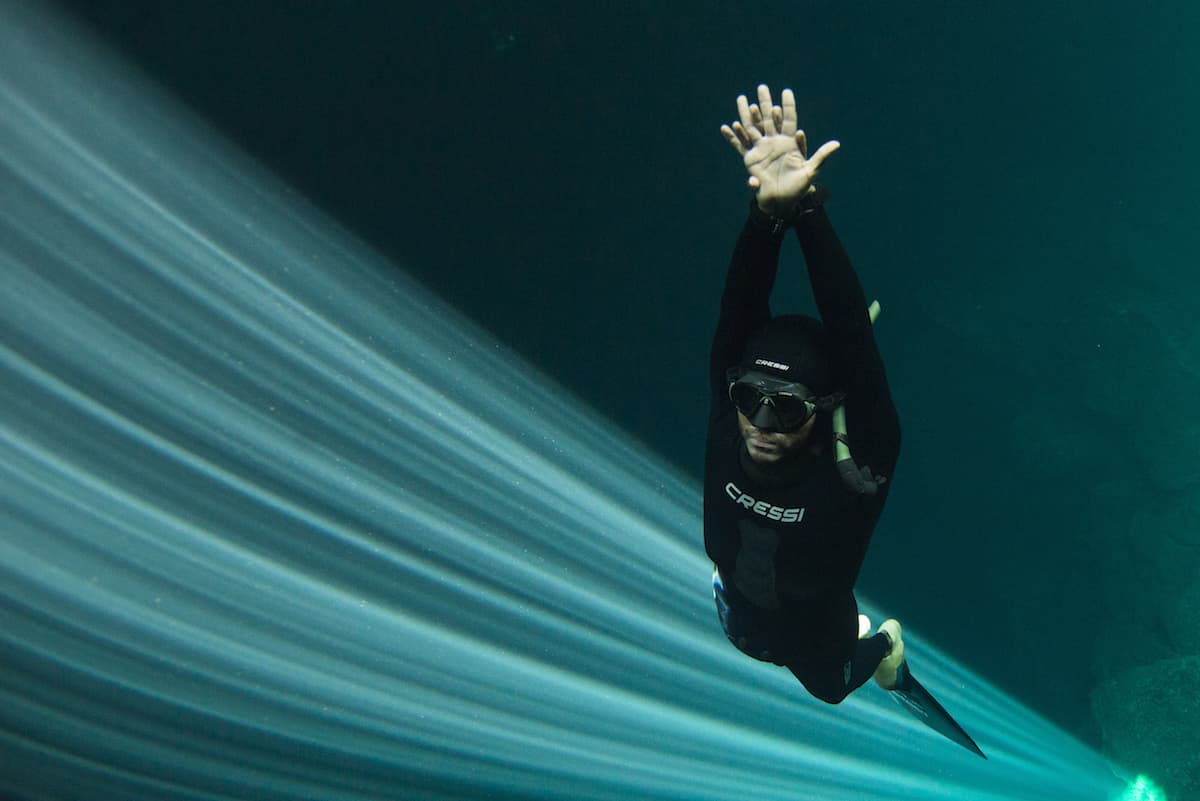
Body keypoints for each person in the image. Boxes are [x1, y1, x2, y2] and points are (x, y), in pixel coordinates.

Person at [705, 85, 905, 704]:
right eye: (750, 398)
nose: (762, 422)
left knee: (831, 691)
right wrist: (766, 216)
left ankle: (885, 646)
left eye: (788, 407)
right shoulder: (730, 409)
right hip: (739, 615)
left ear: (822, 409)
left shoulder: (860, 463)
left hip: (819, 643)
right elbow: (738, 308)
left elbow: (851, 333)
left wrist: (808, 213)